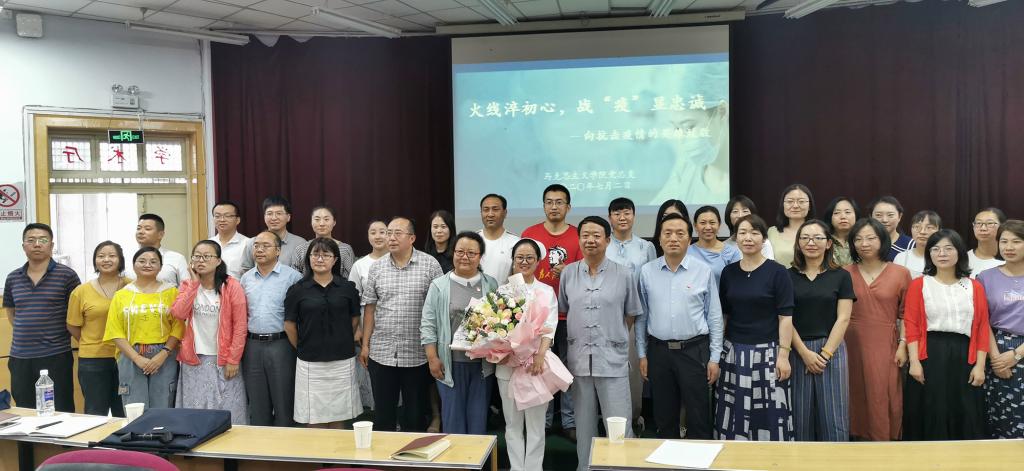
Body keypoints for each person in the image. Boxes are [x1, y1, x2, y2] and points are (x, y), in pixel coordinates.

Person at [559, 216, 640, 470]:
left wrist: (611, 336)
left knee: (618, 427)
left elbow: (630, 314)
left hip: (612, 360)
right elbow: (565, 309)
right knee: (584, 429)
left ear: (607, 240)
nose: (590, 240)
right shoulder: (568, 273)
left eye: (596, 235)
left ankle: (621, 468)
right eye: (585, 235)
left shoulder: (624, 274)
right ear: (579, 239)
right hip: (580, 361)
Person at [637, 213, 722, 439]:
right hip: (659, 352)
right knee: (664, 416)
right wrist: (642, 354)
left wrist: (715, 358)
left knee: (698, 416)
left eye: (680, 233)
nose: (673, 238)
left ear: (689, 238)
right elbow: (642, 317)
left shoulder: (703, 271)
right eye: (667, 233)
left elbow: (714, 316)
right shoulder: (647, 272)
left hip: (694, 351)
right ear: (659, 238)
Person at [903, 229, 989, 440]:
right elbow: (911, 325)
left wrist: (980, 366)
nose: (942, 253)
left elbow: (982, 328)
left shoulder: (974, 286)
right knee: (931, 409)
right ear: (929, 254)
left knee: (965, 410)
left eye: (948, 248)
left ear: (959, 252)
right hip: (929, 354)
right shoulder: (919, 284)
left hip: (964, 355)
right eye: (936, 249)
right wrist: (914, 362)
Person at [359, 217, 443, 432]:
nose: (391, 238)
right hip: (382, 352)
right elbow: (370, 308)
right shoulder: (377, 267)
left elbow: (439, 309)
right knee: (383, 415)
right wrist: (366, 345)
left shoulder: (430, 265)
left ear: (412, 238)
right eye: (389, 233)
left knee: (415, 415)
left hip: (417, 354)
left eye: (398, 233)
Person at [715, 214, 795, 441]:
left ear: (764, 239)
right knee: (733, 411)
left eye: (754, 233)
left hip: (767, 353)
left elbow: (785, 318)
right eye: (742, 233)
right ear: (736, 238)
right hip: (734, 352)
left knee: (769, 413)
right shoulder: (729, 272)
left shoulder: (778, 272)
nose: (748, 238)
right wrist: (718, 353)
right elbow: (724, 315)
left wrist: (783, 355)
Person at [422, 232, 497, 434]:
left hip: (482, 366)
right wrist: (432, 358)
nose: (465, 257)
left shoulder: (491, 284)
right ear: (452, 253)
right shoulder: (439, 285)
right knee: (453, 420)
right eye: (460, 252)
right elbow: (428, 324)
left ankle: (477, 456)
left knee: (478, 419)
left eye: (471, 253)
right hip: (450, 365)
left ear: (480, 256)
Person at [522, 184, 582, 439]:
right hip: (537, 318)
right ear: (544, 205)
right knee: (539, 367)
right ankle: (542, 421)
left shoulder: (579, 235)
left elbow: (587, 272)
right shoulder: (530, 234)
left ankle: (569, 421)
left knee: (568, 368)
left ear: (568, 207)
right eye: (549, 202)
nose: (554, 207)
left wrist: (570, 271)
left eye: (559, 202)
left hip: (569, 315)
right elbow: (521, 269)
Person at [844, 217, 911, 440]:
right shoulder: (843, 273)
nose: (864, 243)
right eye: (858, 239)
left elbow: (907, 315)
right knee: (853, 390)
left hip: (886, 342)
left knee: (883, 391)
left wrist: (903, 345)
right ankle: (854, 440)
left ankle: (884, 440)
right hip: (849, 342)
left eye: (871, 238)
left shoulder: (900, 273)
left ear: (882, 240)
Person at [788, 220, 855, 441]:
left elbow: (844, 318)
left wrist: (825, 355)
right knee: (800, 417)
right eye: (805, 238)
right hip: (797, 351)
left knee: (834, 418)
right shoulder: (786, 276)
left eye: (818, 238)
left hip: (832, 350)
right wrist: (804, 353)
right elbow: (785, 319)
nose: (811, 242)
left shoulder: (841, 276)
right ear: (798, 243)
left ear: (828, 243)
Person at [285, 238, 363, 428]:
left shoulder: (347, 288)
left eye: (326, 255)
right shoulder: (297, 290)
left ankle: (337, 449)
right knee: (313, 416)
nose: (320, 259)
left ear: (335, 260)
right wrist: (303, 346)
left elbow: (354, 320)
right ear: (308, 258)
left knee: (339, 413)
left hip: (342, 361)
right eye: (315, 254)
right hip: (310, 362)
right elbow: (289, 325)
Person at [497, 238, 558, 471]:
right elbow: (494, 328)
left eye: (529, 258)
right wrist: (500, 351)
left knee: (536, 426)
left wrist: (540, 355)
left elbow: (550, 326)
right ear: (513, 261)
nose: (524, 262)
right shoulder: (503, 291)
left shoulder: (546, 291)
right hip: (508, 365)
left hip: (535, 365)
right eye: (519, 258)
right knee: (512, 424)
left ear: (538, 261)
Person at [4, 223, 79, 412]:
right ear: (23, 246)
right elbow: (11, 312)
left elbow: (76, 314)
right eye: (31, 240)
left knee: (61, 409)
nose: (37, 244)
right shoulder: (13, 277)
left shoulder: (67, 275)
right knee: (24, 410)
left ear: (51, 245)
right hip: (20, 357)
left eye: (43, 240)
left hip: (56, 355)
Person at [172, 240, 248, 424]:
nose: (201, 260)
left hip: (223, 358)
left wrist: (233, 360)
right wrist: (194, 285)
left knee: (227, 409)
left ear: (218, 261)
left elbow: (240, 326)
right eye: (197, 256)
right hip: (194, 358)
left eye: (207, 256)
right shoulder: (187, 285)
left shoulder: (231, 286)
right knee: (196, 411)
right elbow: (178, 313)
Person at [103, 247, 183, 408]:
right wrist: (136, 358)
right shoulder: (122, 295)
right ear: (133, 265)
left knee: (163, 404)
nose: (147, 265)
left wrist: (163, 353)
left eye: (153, 262)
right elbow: (114, 330)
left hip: (164, 355)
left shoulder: (172, 293)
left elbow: (179, 326)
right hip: (130, 354)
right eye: (142, 261)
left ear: (160, 267)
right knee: (135, 406)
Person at [240, 231, 303, 426]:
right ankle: (260, 444)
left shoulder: (293, 277)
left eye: (265, 246)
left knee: (284, 400)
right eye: (256, 245)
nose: (259, 249)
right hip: (252, 345)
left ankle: (286, 443)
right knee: (257, 403)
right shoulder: (246, 278)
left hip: (282, 344)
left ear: (278, 251)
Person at [605, 197, 656, 425]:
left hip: (637, 318)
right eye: (617, 213)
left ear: (634, 216)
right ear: (610, 218)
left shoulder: (646, 247)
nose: (622, 217)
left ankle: (634, 416)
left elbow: (653, 282)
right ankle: (609, 418)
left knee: (634, 370)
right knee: (609, 370)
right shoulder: (603, 245)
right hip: (608, 317)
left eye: (626, 212)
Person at [67, 241, 128, 417]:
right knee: (95, 412)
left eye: (112, 256)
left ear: (120, 260)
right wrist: (90, 341)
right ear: (95, 261)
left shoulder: (132, 287)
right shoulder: (81, 291)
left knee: (124, 410)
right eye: (101, 256)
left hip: (127, 357)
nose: (106, 259)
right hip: (93, 359)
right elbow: (72, 325)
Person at [980, 219, 1024, 438]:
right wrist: (996, 358)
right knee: (1001, 417)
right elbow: (981, 320)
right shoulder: (985, 277)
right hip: (996, 348)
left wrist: (1016, 354)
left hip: (1021, 349)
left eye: (1016, 241)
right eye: (1004, 241)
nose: (1009, 247)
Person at [348, 220, 389, 412]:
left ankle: (394, 413)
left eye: (382, 232)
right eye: (373, 232)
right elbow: (352, 300)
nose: (378, 236)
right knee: (368, 369)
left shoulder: (397, 260)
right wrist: (357, 328)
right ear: (368, 236)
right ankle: (373, 413)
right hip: (366, 324)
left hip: (391, 323)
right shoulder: (360, 265)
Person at [240, 196, 308, 274]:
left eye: (279, 213)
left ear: (288, 217)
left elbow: (305, 273)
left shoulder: (300, 243)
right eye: (269, 214)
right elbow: (246, 270)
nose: (274, 218)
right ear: (264, 217)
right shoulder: (253, 243)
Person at [291, 206, 356, 279]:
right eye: (317, 219)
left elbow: (351, 278)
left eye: (326, 219)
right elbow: (294, 278)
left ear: (334, 222)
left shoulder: (345, 249)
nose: (321, 224)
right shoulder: (300, 249)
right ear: (311, 222)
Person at [688, 205, 742, 283]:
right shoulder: (686, 252)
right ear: (695, 226)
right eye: (703, 223)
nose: (708, 227)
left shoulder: (731, 252)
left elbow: (736, 281)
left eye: (712, 223)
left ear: (719, 225)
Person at [767, 184, 815, 268]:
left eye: (801, 201)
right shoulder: (772, 232)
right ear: (783, 205)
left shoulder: (819, 231)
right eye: (790, 201)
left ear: (809, 206)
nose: (795, 206)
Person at [134, 214, 189, 286]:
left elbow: (187, 288)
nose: (141, 232)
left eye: (147, 229)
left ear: (160, 234)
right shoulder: (127, 258)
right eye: (138, 228)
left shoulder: (177, 259)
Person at [478, 194, 520, 286]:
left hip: (504, 295)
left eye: (495, 209)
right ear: (481, 213)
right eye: (486, 210)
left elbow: (517, 279)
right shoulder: (472, 240)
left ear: (505, 213)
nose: (490, 214)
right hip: (474, 294)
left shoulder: (516, 243)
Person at [893, 210, 941, 279]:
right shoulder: (901, 258)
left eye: (929, 227)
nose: (922, 232)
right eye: (917, 227)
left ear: (939, 231)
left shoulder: (943, 257)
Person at [724, 195, 774, 259]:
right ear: (729, 216)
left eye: (745, 211)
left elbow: (769, 263)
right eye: (735, 211)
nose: (740, 215)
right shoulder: (725, 246)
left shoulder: (762, 242)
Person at [211, 201, 249, 278]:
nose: (222, 220)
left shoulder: (248, 244)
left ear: (238, 220)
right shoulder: (209, 243)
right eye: (217, 216)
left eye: (227, 216)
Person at [869, 196, 914, 261]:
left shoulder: (911, 246)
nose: (884, 220)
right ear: (871, 217)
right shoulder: (864, 244)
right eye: (878, 215)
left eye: (890, 215)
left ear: (899, 217)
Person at [968, 207, 1007, 277]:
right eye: (978, 223)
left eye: (990, 223)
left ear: (1002, 226)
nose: (983, 228)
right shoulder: (964, 259)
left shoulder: (1010, 259)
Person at [823, 197, 859, 266]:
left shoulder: (862, 240)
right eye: (837, 213)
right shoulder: (824, 240)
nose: (843, 216)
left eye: (847, 212)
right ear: (830, 217)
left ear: (856, 215)